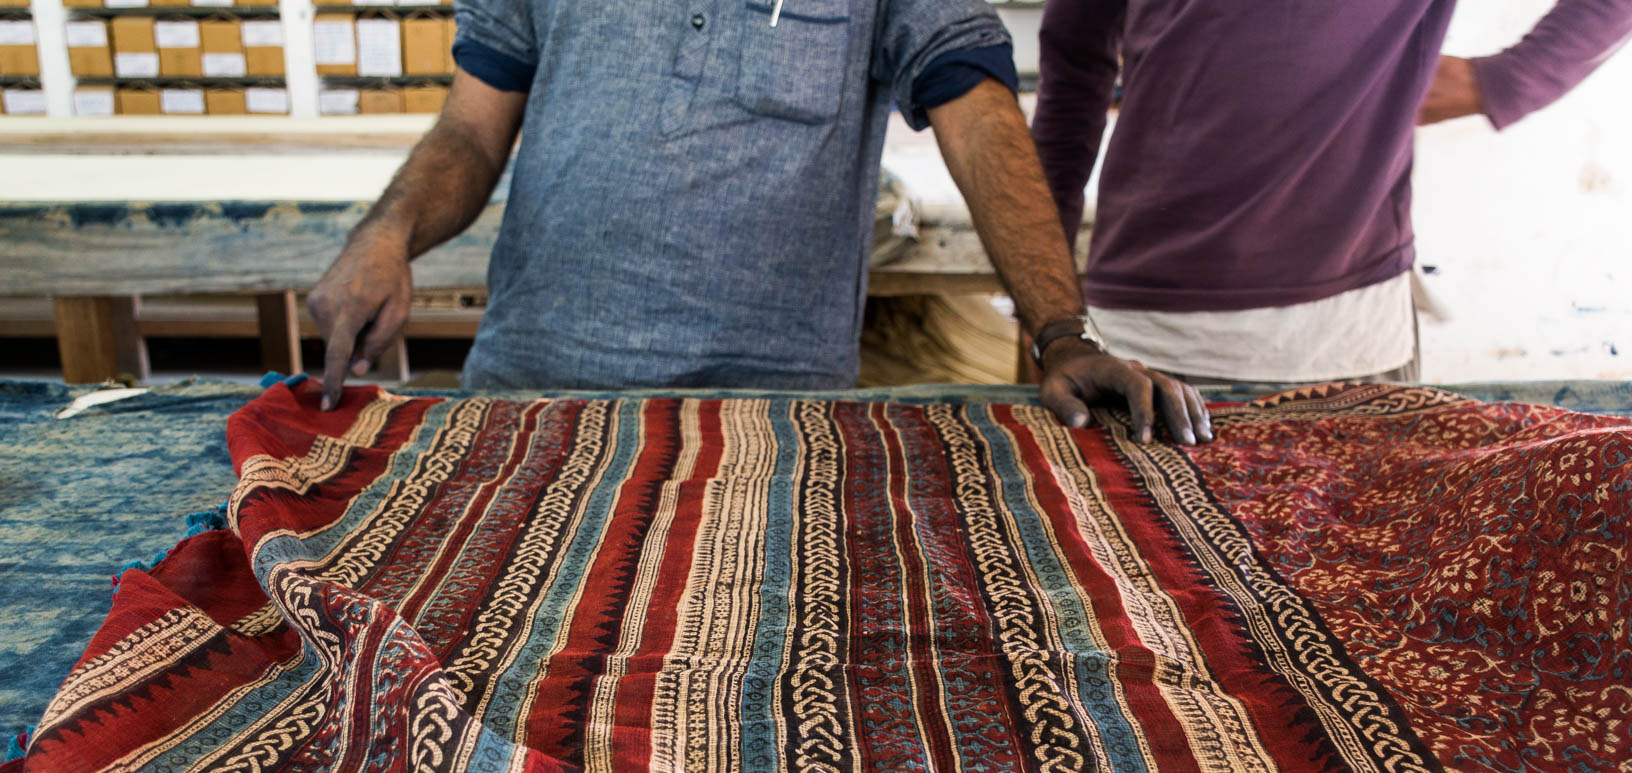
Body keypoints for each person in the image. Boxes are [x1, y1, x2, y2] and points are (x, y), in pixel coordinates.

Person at [307, 0, 1214, 445]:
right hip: (532, 396)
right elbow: (472, 125)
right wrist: (385, 234)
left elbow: (974, 106)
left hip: (771, 424)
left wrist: (1061, 331)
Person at [1032, 0, 1632, 386]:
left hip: (1339, 334)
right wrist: (1045, 299)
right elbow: (1073, 66)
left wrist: (1509, 79)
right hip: (1132, 331)